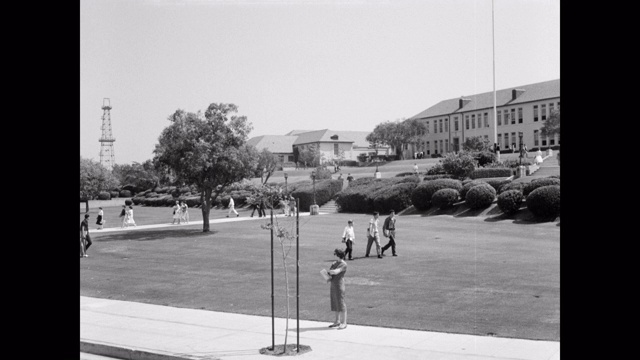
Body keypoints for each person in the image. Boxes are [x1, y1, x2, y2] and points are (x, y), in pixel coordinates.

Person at [326, 248, 348, 330]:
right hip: (333, 284)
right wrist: (328, 276)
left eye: (335, 254)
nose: (334, 255)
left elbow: (336, 272)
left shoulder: (343, 264)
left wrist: (329, 272)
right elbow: (332, 272)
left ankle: (344, 322)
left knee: (341, 303)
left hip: (339, 285)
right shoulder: (334, 263)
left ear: (338, 255)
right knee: (335, 302)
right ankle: (337, 321)